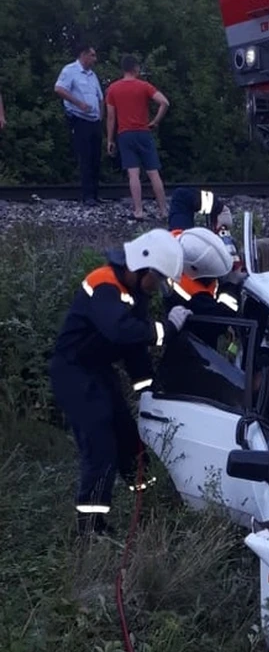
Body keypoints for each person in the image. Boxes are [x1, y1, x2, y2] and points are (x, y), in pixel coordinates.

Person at [49, 230, 185, 536]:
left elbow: (133, 350)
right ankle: (90, 527)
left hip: (97, 370)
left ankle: (148, 500)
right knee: (101, 446)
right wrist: (166, 330)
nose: (159, 286)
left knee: (129, 439)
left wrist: (149, 390)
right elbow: (121, 332)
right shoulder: (104, 282)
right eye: (159, 278)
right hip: (73, 372)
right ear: (142, 266)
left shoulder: (134, 292)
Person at [105, 55, 170, 221]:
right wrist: (155, 121)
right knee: (153, 173)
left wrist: (110, 139)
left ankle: (139, 211)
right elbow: (164, 102)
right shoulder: (144, 86)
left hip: (125, 134)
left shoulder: (113, 89)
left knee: (133, 174)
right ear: (135, 68)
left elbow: (111, 117)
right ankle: (163, 210)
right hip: (143, 132)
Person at [165, 227, 239, 349]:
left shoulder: (183, 246)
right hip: (196, 346)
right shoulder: (195, 297)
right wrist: (231, 285)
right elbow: (222, 318)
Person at [54, 44, 104, 205]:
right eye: (92, 55)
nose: (95, 59)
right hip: (79, 118)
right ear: (83, 55)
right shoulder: (70, 70)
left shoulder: (92, 75)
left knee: (96, 157)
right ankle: (87, 195)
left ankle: (95, 194)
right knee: (86, 157)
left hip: (95, 120)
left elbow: (100, 97)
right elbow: (59, 89)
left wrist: (101, 116)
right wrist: (78, 103)